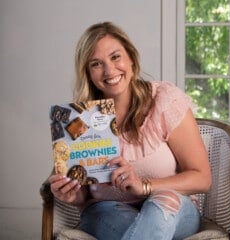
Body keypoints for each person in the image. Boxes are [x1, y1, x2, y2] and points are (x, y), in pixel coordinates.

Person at [49, 22, 211, 240]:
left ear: (131, 59)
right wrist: (70, 193)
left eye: (116, 57)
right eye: (96, 64)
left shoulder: (164, 101)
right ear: (88, 73)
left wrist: (143, 186)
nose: (109, 70)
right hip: (107, 212)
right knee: (142, 228)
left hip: (173, 210)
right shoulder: (79, 120)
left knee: (158, 207)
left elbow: (202, 178)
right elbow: (82, 193)